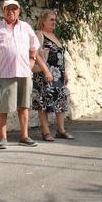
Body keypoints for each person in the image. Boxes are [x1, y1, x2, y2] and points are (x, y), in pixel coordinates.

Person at [0, 0, 41, 149]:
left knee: (24, 106)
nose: (11, 12)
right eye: (8, 9)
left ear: (18, 11)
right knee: (3, 107)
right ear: (3, 11)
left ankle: (24, 136)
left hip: (24, 72)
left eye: (14, 9)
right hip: (4, 73)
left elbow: (35, 46)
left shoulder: (26, 27)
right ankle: (2, 138)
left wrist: (32, 60)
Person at [31, 9, 74, 141]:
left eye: (55, 20)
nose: (54, 22)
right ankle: (45, 131)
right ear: (43, 21)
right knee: (43, 103)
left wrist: (64, 72)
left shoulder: (55, 36)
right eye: (51, 19)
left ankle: (61, 130)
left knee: (60, 102)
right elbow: (35, 54)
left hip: (58, 75)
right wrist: (46, 71)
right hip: (45, 74)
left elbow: (60, 56)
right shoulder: (39, 34)